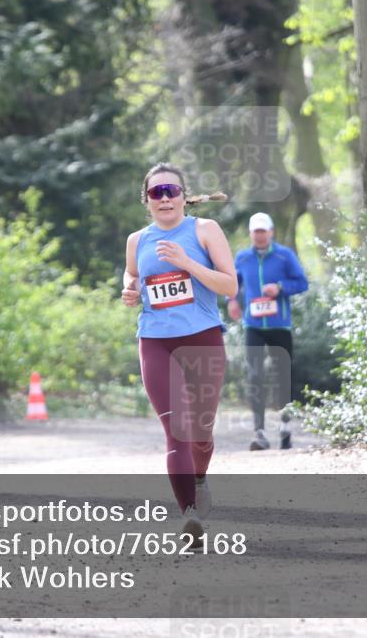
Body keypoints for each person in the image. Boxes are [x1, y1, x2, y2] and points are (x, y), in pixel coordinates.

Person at [121, 162, 237, 541]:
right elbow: (132, 274)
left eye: (171, 190)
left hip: (202, 338)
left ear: (185, 196)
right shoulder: (137, 240)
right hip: (155, 341)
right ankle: (189, 516)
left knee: (201, 432)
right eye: (157, 193)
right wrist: (131, 289)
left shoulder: (204, 230)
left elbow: (230, 287)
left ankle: (200, 478)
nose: (165, 198)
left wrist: (187, 263)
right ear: (147, 200)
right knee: (176, 430)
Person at [226, 212, 308, 451]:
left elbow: (302, 282)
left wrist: (280, 287)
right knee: (254, 376)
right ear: (251, 233)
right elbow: (232, 282)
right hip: (253, 325)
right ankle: (259, 432)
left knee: (283, 377)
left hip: (279, 325)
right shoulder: (242, 257)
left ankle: (284, 427)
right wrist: (232, 300)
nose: (260, 235)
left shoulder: (284, 255)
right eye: (256, 231)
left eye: (264, 231)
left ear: (271, 232)